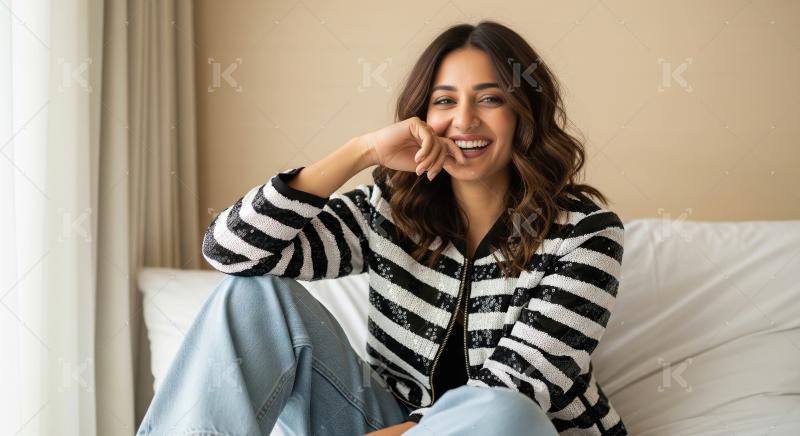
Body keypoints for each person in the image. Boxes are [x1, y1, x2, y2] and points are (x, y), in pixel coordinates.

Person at [137, 20, 628, 436]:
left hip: (514, 430)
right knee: (253, 294)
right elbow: (231, 252)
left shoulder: (586, 234)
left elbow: (517, 388)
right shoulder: (389, 210)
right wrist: (361, 151)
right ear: (422, 115)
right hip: (385, 422)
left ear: (525, 114)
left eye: (490, 99)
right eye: (444, 101)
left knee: (504, 412)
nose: (464, 120)